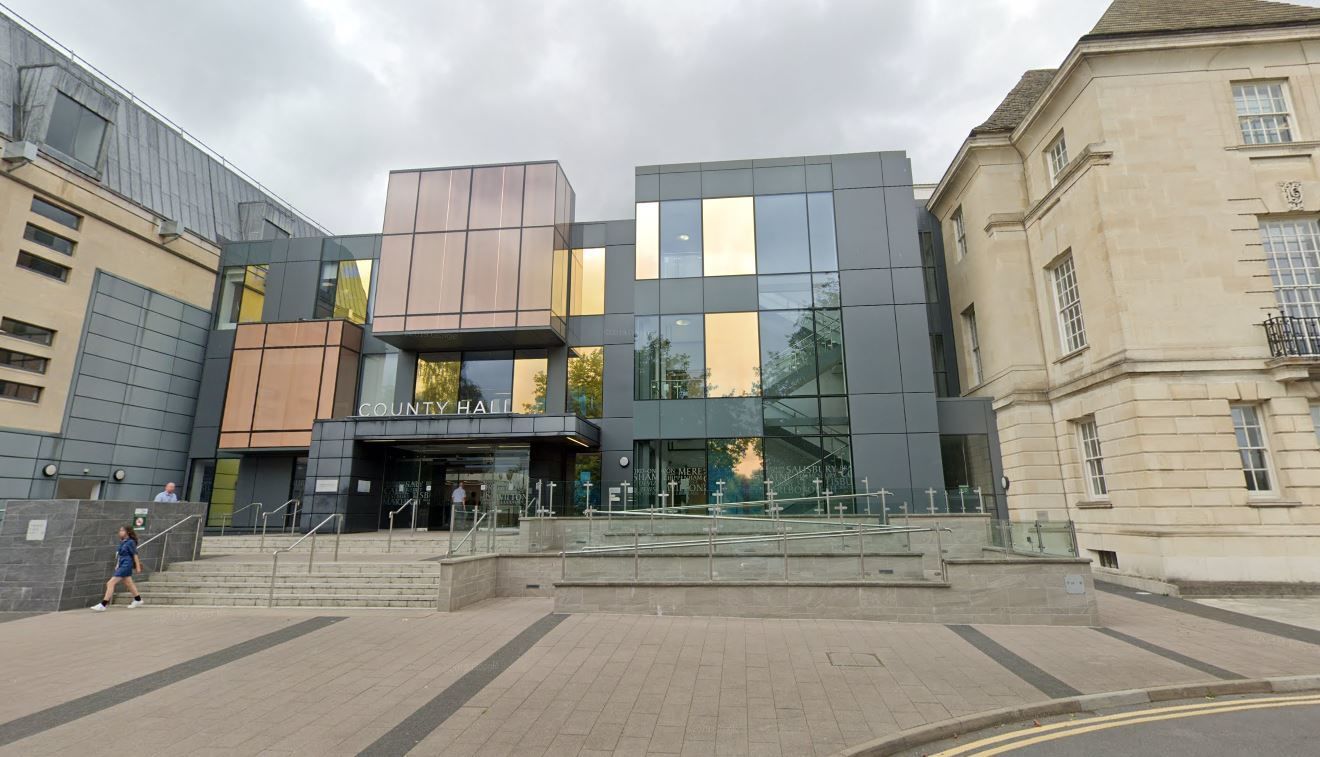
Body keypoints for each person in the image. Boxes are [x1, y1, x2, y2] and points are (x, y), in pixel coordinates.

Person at [91, 526, 143, 611]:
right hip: (122, 564)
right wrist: (118, 564)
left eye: (122, 530)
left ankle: (103, 605)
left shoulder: (130, 542)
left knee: (110, 583)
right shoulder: (123, 542)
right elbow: (120, 555)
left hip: (126, 564)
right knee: (128, 583)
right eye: (120, 530)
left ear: (128, 532)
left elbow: (135, 554)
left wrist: (138, 567)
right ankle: (138, 599)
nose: (120, 532)